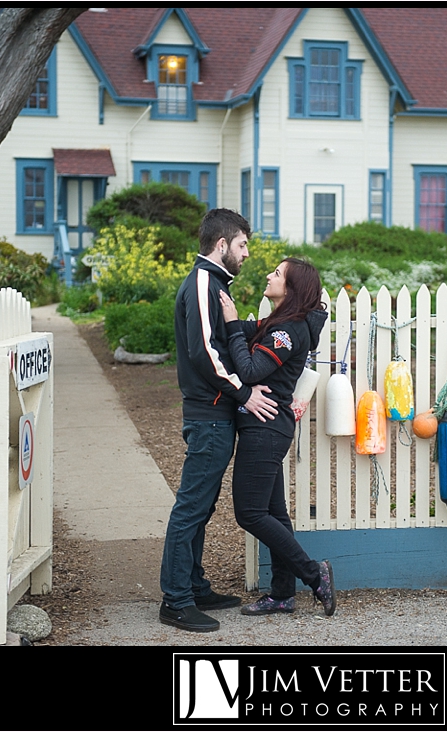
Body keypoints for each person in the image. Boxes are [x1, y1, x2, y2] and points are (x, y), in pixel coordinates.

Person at [159, 208, 278, 633]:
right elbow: (204, 352)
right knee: (191, 507)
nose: (247, 254)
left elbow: (222, 341)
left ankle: (194, 585)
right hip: (209, 413)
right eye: (243, 245)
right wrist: (244, 393)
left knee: (201, 506)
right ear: (222, 244)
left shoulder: (212, 284)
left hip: (213, 412)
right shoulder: (204, 281)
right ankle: (176, 600)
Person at [219, 257, 336, 618]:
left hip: (265, 428)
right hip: (268, 426)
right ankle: (283, 594)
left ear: (291, 288)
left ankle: (314, 574)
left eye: (277, 274)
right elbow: (246, 334)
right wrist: (236, 324)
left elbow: (252, 369)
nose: (269, 276)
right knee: (273, 513)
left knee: (250, 513)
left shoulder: (287, 332)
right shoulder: (278, 323)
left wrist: (232, 325)